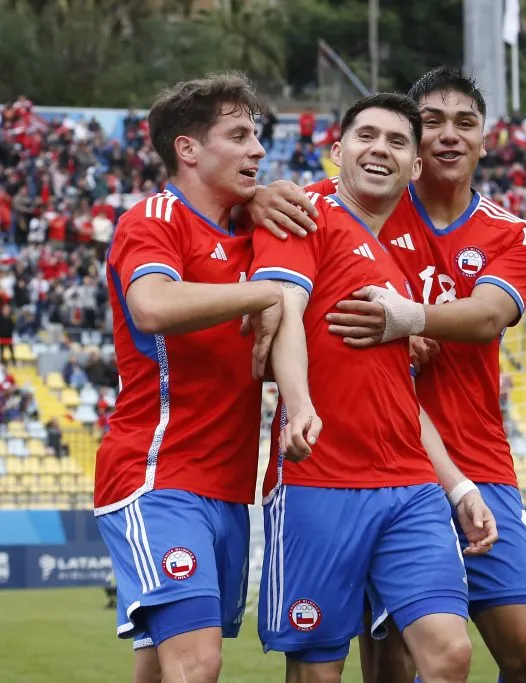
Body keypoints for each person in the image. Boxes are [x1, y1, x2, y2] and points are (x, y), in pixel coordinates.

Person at [249, 66, 526, 683]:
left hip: (463, 457)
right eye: (432, 121)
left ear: (484, 139)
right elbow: (284, 268)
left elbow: (492, 314)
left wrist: (411, 317)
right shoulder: (341, 207)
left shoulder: (511, 232)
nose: (447, 134)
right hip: (351, 459)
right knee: (381, 658)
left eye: (463, 122)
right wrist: (254, 194)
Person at [94, 72, 282, 683]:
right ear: (188, 148)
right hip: (159, 473)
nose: (257, 149)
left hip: (228, 488)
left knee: (163, 662)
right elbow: (152, 304)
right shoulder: (151, 220)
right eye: (239, 135)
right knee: (198, 664)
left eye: (257, 136)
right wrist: (263, 293)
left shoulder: (252, 231)